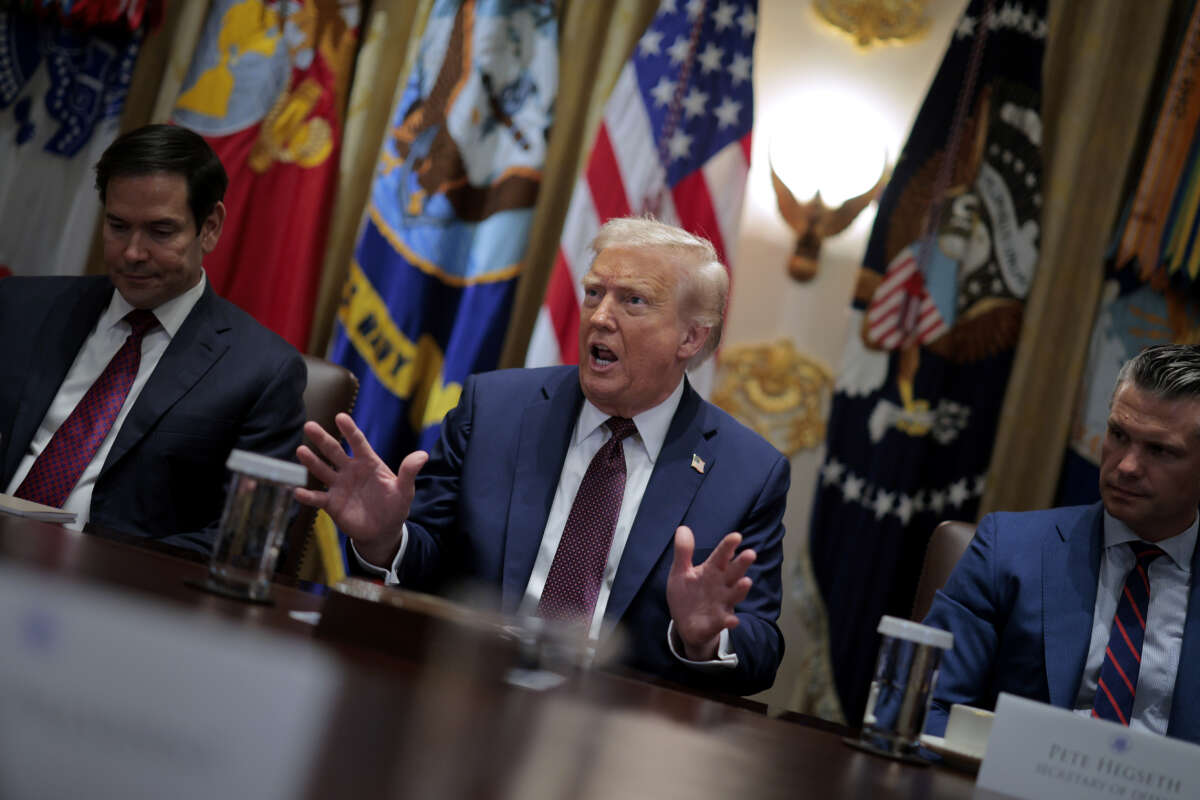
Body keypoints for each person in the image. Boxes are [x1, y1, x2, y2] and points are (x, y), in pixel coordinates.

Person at [297, 217, 788, 695]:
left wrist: (703, 639)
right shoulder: (494, 410)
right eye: (594, 292)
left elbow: (762, 647)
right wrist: (386, 541)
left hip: (614, 722)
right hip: (468, 689)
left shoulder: (747, 473)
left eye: (633, 301)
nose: (599, 316)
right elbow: (431, 565)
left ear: (691, 337)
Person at [0, 124, 306, 553]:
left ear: (210, 227)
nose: (132, 253)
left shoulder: (261, 373)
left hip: (115, 597)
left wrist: (90, 566)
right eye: (118, 226)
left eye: (161, 232)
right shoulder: (19, 308)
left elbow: (245, 540)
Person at [924, 344, 1200, 744]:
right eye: (1118, 435)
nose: (1126, 466)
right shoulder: (1008, 550)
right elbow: (927, 706)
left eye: (1159, 450)